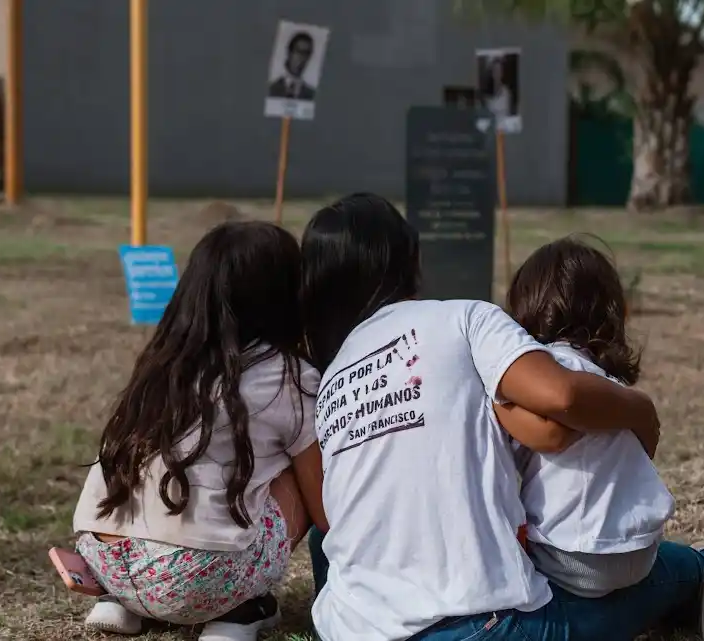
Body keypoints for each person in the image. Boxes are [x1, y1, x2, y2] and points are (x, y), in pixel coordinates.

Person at [299, 193, 662, 641]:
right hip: (478, 624)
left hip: (352, 629)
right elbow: (561, 398)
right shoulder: (462, 318)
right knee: (665, 572)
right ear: (411, 262)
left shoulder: (331, 380)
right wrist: (640, 409)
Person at [70, 219, 328, 641]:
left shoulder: (162, 362)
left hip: (105, 560)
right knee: (296, 465)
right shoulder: (289, 376)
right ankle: (240, 611)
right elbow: (323, 510)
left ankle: (123, 603)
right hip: (198, 580)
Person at [503, 236, 676, 598]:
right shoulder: (609, 385)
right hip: (640, 551)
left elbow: (545, 436)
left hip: (572, 555)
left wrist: (496, 400)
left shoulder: (547, 373)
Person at [268, 31, 317, 101]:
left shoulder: (312, 95)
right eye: (299, 51)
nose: (303, 58)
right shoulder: (270, 89)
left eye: (307, 53)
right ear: (289, 52)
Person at [481, 56, 514, 124]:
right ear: (492, 73)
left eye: (499, 71)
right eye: (495, 71)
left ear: (502, 73)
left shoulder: (507, 93)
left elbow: (509, 116)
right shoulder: (486, 95)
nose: (497, 74)